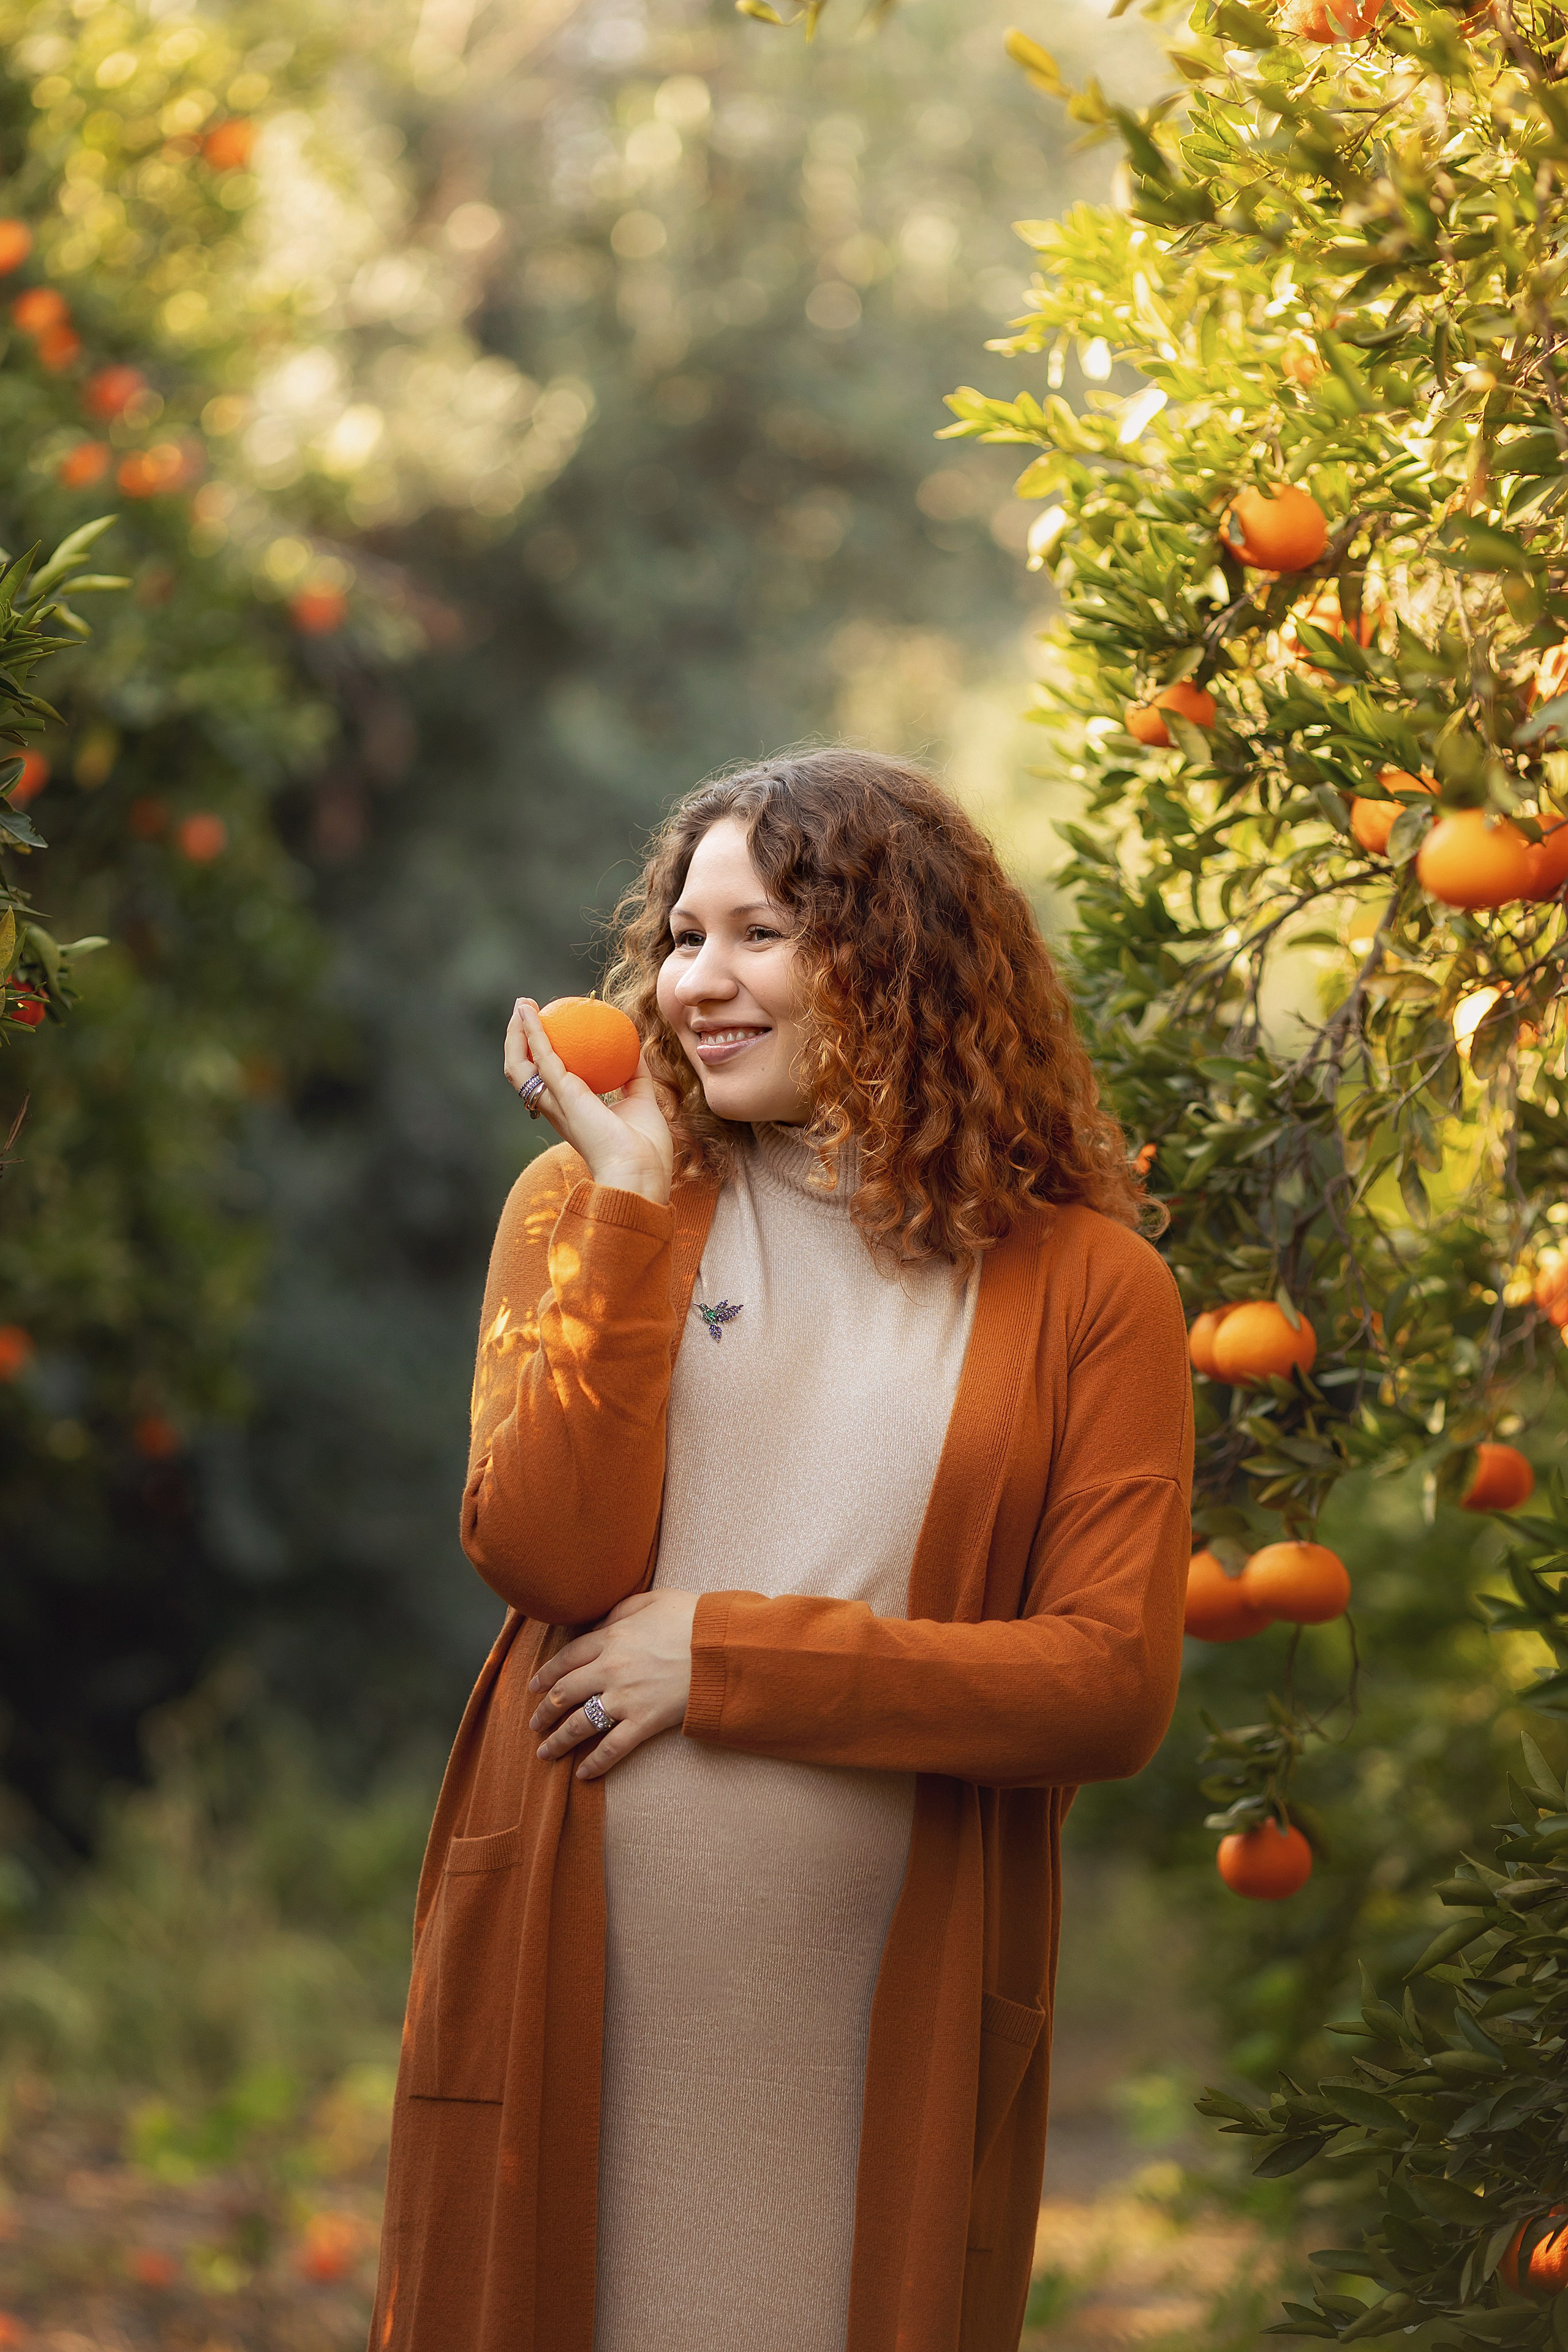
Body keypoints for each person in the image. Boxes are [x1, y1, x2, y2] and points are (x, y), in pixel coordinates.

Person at [369, 748, 1193, 2352]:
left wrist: (724, 1658)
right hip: (569, 1991)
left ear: (897, 957)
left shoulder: (1093, 1291)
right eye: (683, 936)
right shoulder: (585, 1209)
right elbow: (546, 1552)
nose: (696, 984)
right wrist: (620, 1206)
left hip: (876, 2023)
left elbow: (1107, 1688)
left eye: (760, 935)